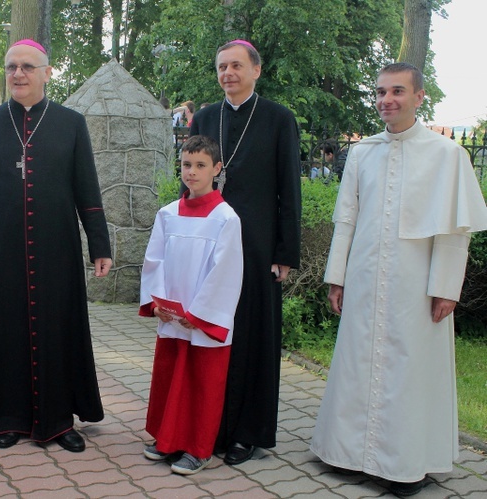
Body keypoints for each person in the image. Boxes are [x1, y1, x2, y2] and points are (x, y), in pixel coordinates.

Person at [310, 63, 487, 497]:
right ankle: (349, 455)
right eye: (381, 92)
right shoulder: (363, 152)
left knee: (409, 370)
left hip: (416, 284)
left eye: (398, 91)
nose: (387, 99)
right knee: (356, 365)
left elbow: (453, 231)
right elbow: (345, 218)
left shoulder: (448, 156)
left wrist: (446, 287)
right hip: (366, 277)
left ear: (419, 97)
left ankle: (404, 464)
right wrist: (337, 277)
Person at [0, 39, 113, 453]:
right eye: (11, 67)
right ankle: (7, 416)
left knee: (57, 326)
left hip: (56, 248)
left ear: (47, 73)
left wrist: (100, 243)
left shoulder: (70, 122)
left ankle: (59, 420)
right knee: (4, 328)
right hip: (0, 249)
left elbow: (87, 188)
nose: (18, 74)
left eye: (28, 67)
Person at [188, 39, 301, 465]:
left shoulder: (278, 119)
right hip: (208, 244)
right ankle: (207, 426)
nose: (228, 74)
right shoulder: (205, 117)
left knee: (252, 339)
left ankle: (246, 434)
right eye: (221, 67)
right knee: (208, 334)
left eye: (236, 66)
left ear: (256, 70)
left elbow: (289, 188)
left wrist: (285, 252)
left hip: (256, 249)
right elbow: (191, 180)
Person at [140, 135, 244, 475]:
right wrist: (158, 304)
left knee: (201, 383)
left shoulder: (226, 218)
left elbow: (225, 272)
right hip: (173, 318)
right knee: (171, 377)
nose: (192, 172)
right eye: (186, 165)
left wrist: (199, 316)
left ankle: (198, 449)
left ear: (216, 168)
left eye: (200, 165)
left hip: (200, 320)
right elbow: (154, 262)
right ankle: (166, 441)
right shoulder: (168, 214)